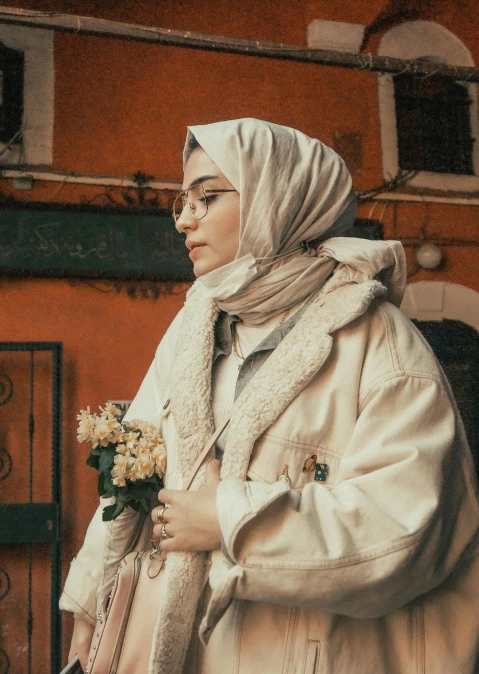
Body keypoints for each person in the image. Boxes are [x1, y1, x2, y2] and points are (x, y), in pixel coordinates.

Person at [62, 118, 479, 673]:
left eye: (207, 196)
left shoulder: (379, 342)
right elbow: (129, 481)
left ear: (276, 198)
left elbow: (409, 529)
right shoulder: (191, 331)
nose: (185, 219)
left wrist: (232, 522)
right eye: (180, 201)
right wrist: (90, 608)